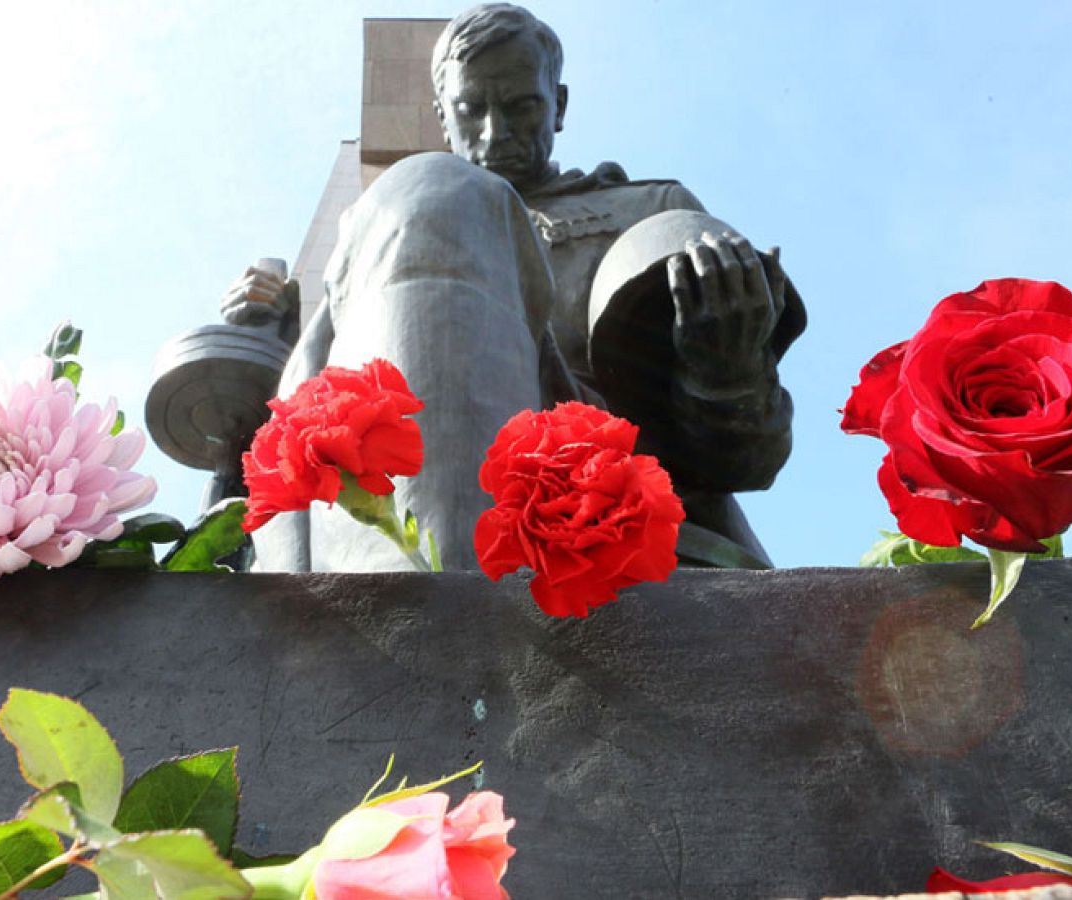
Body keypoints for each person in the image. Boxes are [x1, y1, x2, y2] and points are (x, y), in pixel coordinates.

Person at [220, 3, 805, 572]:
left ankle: (427, 599)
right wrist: (265, 335)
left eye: (522, 106)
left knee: (434, 186)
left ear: (559, 106)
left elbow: (746, 461)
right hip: (418, 491)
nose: (495, 132)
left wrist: (726, 371)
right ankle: (413, 591)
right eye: (471, 109)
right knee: (428, 185)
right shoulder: (391, 222)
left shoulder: (648, 210)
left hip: (600, 497)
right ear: (442, 117)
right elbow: (319, 394)